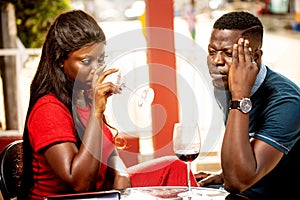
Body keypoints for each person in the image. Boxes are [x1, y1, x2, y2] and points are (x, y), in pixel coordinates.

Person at [20, 10, 198, 200]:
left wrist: (121, 172)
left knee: (174, 169)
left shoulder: (83, 96)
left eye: (101, 59)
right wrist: (97, 110)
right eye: (86, 61)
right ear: (60, 60)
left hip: (101, 192)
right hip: (72, 198)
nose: (96, 69)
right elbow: (80, 183)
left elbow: (108, 150)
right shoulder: (49, 109)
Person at [194, 11, 300, 198]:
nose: (216, 61)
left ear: (256, 56)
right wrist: (223, 174)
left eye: (228, 53)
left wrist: (240, 97)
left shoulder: (287, 102)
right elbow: (245, 151)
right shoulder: (225, 84)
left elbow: (237, 182)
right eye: (212, 51)